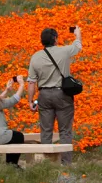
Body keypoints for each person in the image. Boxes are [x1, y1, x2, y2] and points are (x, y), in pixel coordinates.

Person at [27, 26, 82, 164]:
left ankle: (47, 163)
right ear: (56, 39)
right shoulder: (63, 51)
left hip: (44, 95)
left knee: (46, 131)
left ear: (42, 41)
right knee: (65, 131)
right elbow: (78, 46)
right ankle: (66, 164)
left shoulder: (35, 57)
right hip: (62, 94)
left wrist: (30, 101)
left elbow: (31, 83)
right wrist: (77, 35)